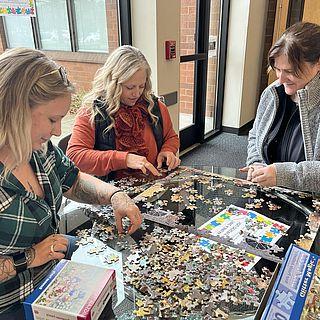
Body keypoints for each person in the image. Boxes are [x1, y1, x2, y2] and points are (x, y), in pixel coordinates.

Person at [0, 48, 142, 319]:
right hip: (11, 299)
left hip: (54, 266)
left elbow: (73, 181)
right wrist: (28, 258)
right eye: (52, 119)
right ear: (12, 111)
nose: (56, 131)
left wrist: (115, 195)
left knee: (122, 287)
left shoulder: (39, 149)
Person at [66, 45, 180, 181]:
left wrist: (168, 150)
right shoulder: (91, 112)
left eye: (141, 86)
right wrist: (124, 159)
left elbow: (171, 137)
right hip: (110, 191)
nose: (137, 93)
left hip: (154, 184)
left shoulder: (155, 107)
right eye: (129, 87)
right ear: (112, 83)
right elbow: (75, 156)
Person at [242, 22, 320, 192]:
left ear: (318, 63)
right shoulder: (272, 93)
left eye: (291, 71)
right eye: (277, 69)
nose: (281, 79)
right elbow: (255, 135)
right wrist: (256, 163)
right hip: (270, 194)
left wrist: (282, 174)